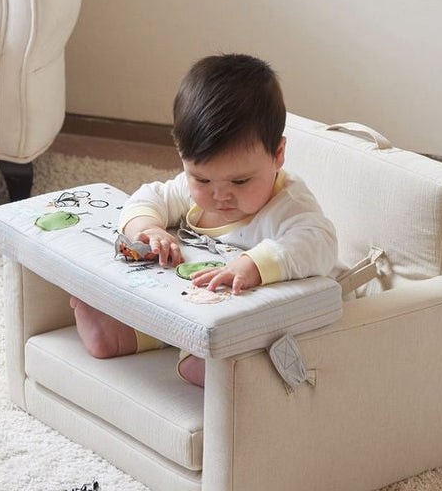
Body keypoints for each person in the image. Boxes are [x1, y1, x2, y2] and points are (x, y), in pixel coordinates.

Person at [71, 53, 339, 387]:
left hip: (258, 320)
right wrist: (147, 228)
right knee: (154, 313)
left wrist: (252, 266)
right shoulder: (190, 190)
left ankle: (212, 365)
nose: (220, 195)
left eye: (239, 181)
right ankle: (116, 335)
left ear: (278, 155)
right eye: (202, 179)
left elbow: (320, 242)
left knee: (227, 345)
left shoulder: (287, 206)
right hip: (193, 305)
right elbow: (148, 197)